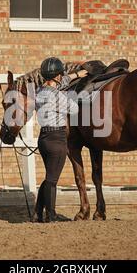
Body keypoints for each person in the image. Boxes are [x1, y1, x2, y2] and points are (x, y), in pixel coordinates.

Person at [34, 57, 88, 223]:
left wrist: (76, 74)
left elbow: (59, 82)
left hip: (43, 138)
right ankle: (51, 214)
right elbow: (74, 109)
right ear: (57, 76)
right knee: (52, 180)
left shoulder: (38, 91)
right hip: (57, 139)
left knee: (49, 176)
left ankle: (37, 213)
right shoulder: (58, 96)